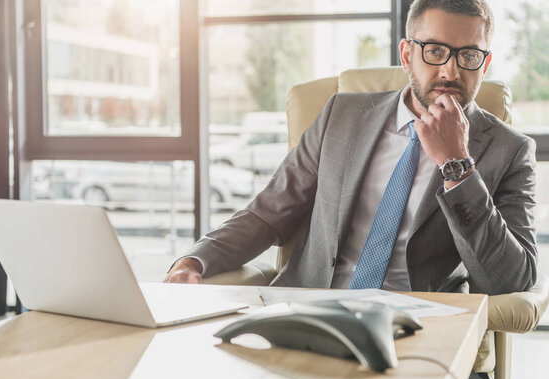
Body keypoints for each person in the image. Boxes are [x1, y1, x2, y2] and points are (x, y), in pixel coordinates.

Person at [165, 1, 537, 297]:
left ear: (484, 63)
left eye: (468, 55)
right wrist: (195, 259)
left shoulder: (510, 151)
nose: (450, 71)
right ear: (407, 55)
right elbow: (268, 213)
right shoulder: (340, 115)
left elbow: (510, 280)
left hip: (418, 326)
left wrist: (458, 165)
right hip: (310, 310)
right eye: (435, 51)